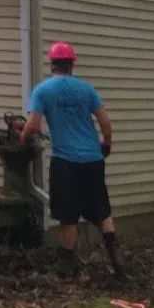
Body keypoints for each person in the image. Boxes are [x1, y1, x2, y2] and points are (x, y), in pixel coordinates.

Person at [21, 41, 125, 277]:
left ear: (52, 64)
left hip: (66, 161)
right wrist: (106, 143)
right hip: (93, 159)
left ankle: (67, 262)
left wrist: (23, 138)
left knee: (67, 214)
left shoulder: (43, 90)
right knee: (101, 209)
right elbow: (105, 122)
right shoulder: (86, 89)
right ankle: (115, 254)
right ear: (71, 65)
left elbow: (34, 123)